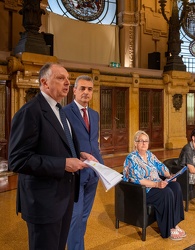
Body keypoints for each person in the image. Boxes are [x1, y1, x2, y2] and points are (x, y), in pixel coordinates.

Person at [8, 63, 96, 250]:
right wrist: (63, 163)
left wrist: (78, 154)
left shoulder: (59, 111)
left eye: (68, 79)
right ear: (44, 82)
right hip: (43, 202)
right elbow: (18, 160)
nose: (67, 83)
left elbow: (54, 145)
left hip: (63, 198)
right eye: (60, 78)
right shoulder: (30, 112)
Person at [63, 75, 103, 250]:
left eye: (90, 89)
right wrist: (78, 154)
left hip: (92, 174)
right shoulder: (64, 112)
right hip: (75, 174)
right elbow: (62, 143)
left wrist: (102, 170)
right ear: (74, 90)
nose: (86, 92)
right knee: (75, 216)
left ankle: (77, 246)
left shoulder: (94, 115)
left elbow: (94, 144)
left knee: (84, 216)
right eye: (83, 88)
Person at [123, 131, 185, 240]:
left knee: (176, 187)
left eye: (146, 141)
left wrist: (169, 175)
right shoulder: (131, 158)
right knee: (166, 192)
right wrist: (156, 184)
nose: (144, 143)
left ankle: (174, 223)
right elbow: (136, 179)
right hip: (142, 190)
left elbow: (161, 167)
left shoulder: (150, 155)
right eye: (140, 141)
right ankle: (168, 229)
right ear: (135, 143)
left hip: (156, 184)